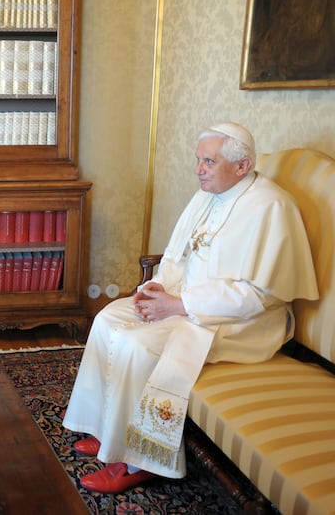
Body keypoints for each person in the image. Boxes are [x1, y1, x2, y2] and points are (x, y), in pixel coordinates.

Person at [62, 123, 318, 493]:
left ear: (242, 166)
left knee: (138, 345)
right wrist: (157, 287)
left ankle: (139, 460)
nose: (199, 169)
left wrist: (179, 305)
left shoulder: (271, 207)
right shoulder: (209, 193)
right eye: (198, 159)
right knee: (107, 320)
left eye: (209, 161)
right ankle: (109, 433)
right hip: (182, 301)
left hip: (238, 322)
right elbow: (177, 254)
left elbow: (259, 296)